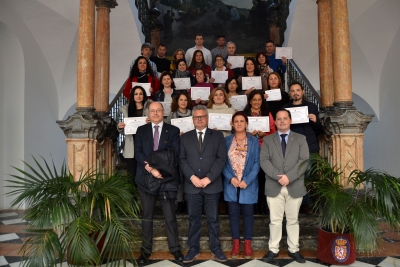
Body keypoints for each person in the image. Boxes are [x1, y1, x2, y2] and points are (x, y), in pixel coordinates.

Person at [134, 102, 183, 264]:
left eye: (158, 110)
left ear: (164, 112)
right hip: (146, 177)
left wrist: (158, 168)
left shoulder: (173, 130)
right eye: (152, 111)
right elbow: (138, 153)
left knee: (170, 216)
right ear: (148, 113)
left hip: (166, 178)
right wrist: (151, 168)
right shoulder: (141, 130)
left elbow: (174, 154)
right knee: (147, 216)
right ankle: (145, 250)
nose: (155, 113)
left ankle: (175, 248)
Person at [260, 109, 309, 264]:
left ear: (290, 120)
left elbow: (304, 161)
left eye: (285, 118)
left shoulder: (301, 139)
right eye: (279, 119)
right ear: (275, 121)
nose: (282, 121)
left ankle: (294, 249)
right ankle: (273, 249)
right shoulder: (268, 140)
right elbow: (264, 161)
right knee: (275, 220)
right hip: (274, 185)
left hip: (295, 185)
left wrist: (289, 177)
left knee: (293, 220)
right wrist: (279, 177)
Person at [180, 105, 227, 264]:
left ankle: (216, 248)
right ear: (192, 120)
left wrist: (209, 178)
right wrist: (192, 177)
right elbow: (182, 160)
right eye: (196, 117)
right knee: (193, 219)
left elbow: (221, 159)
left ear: (207, 118)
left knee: (213, 219)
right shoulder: (185, 137)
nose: (199, 119)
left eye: (202, 116)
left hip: (212, 185)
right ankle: (193, 248)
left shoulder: (218, 136)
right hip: (192, 185)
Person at [222, 111, 260, 259]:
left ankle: (248, 244)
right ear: (232, 123)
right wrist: (231, 178)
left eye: (241, 121)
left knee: (248, 215)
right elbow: (223, 162)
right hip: (231, 184)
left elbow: (257, 163)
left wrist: (247, 180)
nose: (239, 123)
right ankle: (236, 243)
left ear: (246, 123)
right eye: (236, 121)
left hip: (247, 184)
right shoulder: (226, 141)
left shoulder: (253, 141)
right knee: (233, 214)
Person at [282, 82, 323, 215]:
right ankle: (292, 204)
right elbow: (280, 130)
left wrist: (315, 120)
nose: (295, 93)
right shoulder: (285, 109)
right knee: (292, 177)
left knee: (308, 177)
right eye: (293, 91)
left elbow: (319, 130)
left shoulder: (311, 107)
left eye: (298, 90)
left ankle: (305, 204)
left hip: (308, 147)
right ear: (290, 93)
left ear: (303, 92)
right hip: (291, 148)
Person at [243, 90, 276, 215]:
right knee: (251, 177)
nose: (257, 102)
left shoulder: (267, 114)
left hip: (264, 150)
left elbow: (274, 133)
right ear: (250, 101)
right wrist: (248, 134)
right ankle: (252, 205)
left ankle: (263, 206)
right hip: (248, 150)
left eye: (259, 99)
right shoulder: (245, 114)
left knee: (263, 178)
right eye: (254, 99)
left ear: (262, 101)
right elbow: (238, 131)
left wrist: (265, 134)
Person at [166, 92, 194, 214]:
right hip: (176, 148)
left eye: (185, 100)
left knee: (189, 175)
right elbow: (166, 132)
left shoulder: (193, 115)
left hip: (190, 148)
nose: (183, 102)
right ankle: (179, 201)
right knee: (178, 176)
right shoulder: (171, 115)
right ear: (177, 101)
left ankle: (188, 200)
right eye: (181, 100)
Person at [117, 86, 151, 179]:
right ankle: (133, 193)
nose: (138, 96)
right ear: (132, 96)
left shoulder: (150, 108)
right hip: (131, 144)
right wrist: (120, 127)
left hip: (145, 144)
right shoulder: (126, 109)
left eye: (141, 94)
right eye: (136, 94)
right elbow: (124, 131)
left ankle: (143, 193)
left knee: (146, 172)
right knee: (131, 174)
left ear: (144, 95)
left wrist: (151, 122)